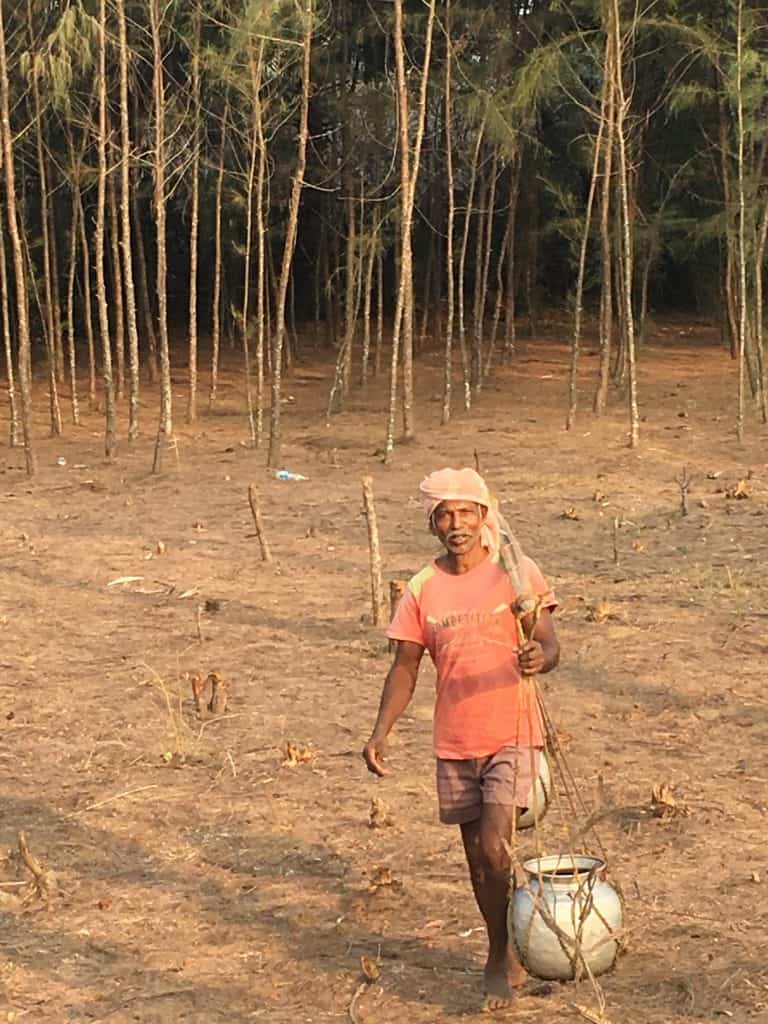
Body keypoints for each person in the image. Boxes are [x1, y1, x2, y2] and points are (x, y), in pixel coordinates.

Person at [362, 467, 560, 1012]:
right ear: (432, 524)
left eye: (466, 513)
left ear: (483, 517)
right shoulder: (421, 588)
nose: (456, 524)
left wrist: (539, 656)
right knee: (477, 861)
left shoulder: (516, 573)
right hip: (455, 740)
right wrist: (380, 731)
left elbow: (549, 643)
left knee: (496, 848)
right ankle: (504, 949)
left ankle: (500, 957)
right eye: (444, 515)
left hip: (513, 732)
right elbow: (405, 668)